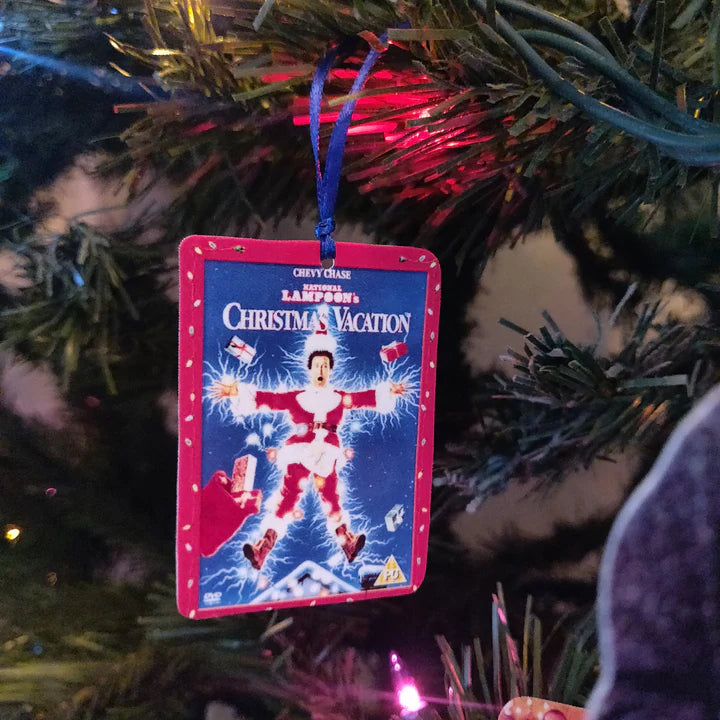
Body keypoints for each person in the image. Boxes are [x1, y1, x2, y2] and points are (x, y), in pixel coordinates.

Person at [210, 329, 406, 571]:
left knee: (330, 496)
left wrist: (389, 391)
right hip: (300, 451)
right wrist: (236, 391)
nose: (321, 369)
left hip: (327, 452)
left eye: (325, 365)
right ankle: (262, 548)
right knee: (288, 497)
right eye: (317, 365)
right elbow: (269, 399)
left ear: (331, 369)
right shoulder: (297, 397)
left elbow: (365, 398)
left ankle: (347, 542)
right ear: (310, 368)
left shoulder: (340, 397)